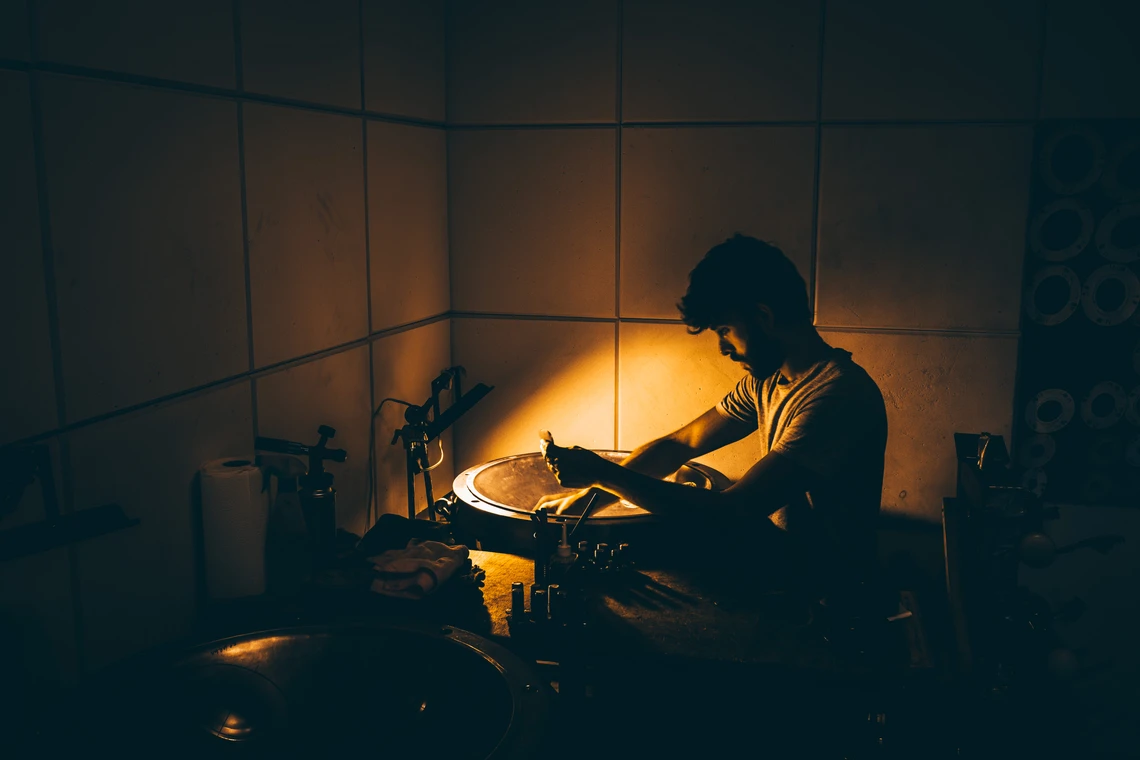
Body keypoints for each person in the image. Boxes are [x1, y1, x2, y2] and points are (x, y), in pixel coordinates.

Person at [535, 234, 888, 604]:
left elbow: (734, 511)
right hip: (793, 582)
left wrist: (604, 473)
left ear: (763, 317)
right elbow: (679, 445)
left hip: (834, 604)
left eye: (724, 331)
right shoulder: (767, 382)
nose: (722, 349)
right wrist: (586, 498)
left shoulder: (836, 397)